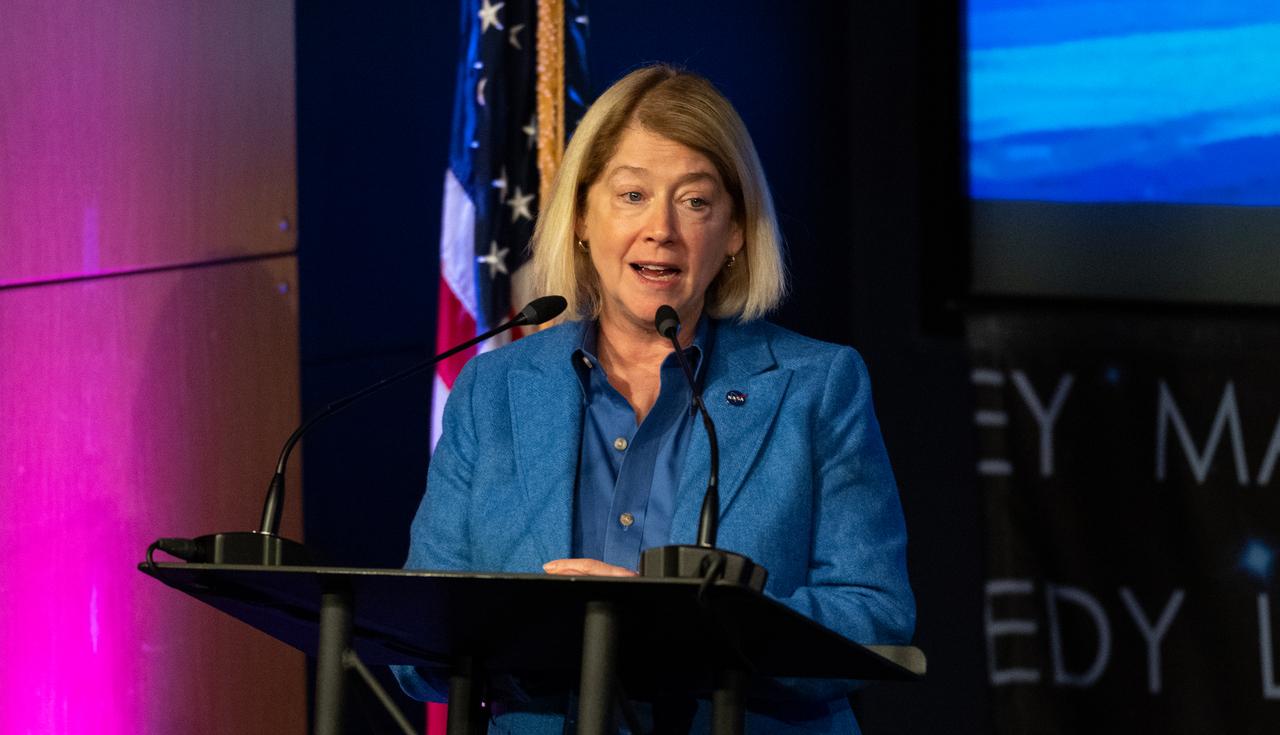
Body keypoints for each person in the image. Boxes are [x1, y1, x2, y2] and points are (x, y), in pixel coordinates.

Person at [393, 64, 914, 734]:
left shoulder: (818, 385)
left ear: (734, 232)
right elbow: (420, 635)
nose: (660, 229)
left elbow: (873, 614)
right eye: (631, 194)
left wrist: (680, 626)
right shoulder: (492, 391)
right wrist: (545, 631)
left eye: (694, 201)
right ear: (582, 216)